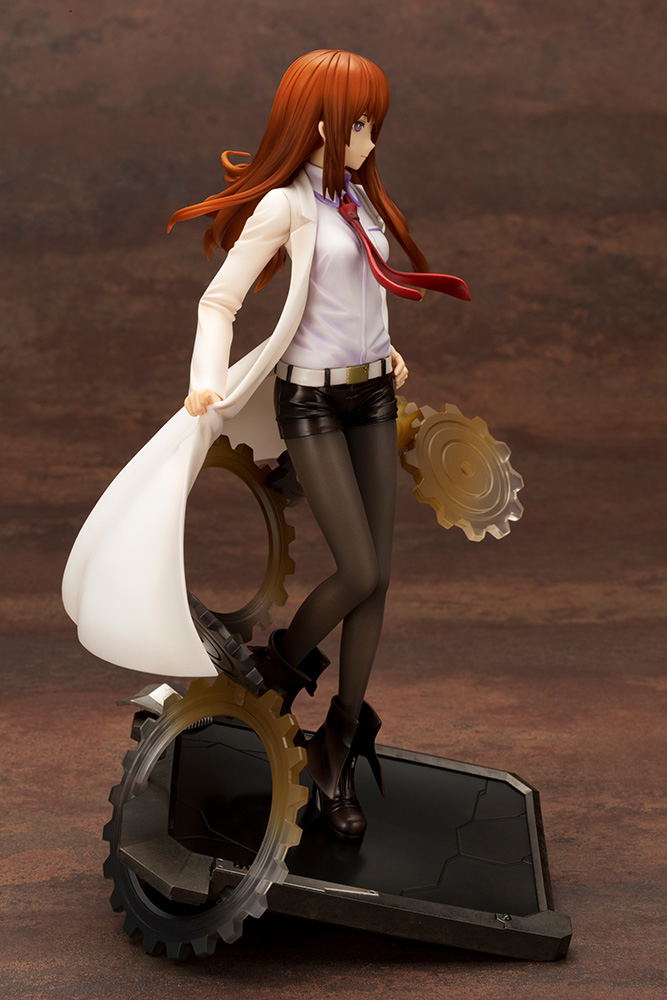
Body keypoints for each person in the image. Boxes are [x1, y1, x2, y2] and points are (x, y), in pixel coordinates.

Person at [62, 49, 469, 842]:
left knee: (378, 580)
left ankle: (338, 747)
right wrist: (205, 380)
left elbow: (359, 290)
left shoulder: (360, 198)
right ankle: (277, 672)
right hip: (311, 400)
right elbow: (219, 301)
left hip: (371, 395)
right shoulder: (287, 205)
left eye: (372, 124)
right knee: (357, 569)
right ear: (315, 122)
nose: (368, 139)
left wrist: (382, 348)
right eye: (356, 123)